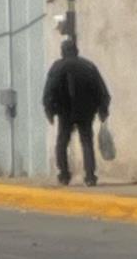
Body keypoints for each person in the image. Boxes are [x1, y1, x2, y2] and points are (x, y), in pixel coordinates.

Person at [42, 39, 111, 186]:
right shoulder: (88, 66)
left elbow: (49, 90)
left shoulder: (58, 67)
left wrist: (49, 110)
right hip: (86, 112)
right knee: (87, 142)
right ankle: (90, 176)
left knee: (62, 142)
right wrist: (102, 109)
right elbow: (101, 89)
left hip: (65, 112)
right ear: (76, 51)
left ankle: (64, 175)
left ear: (63, 51)